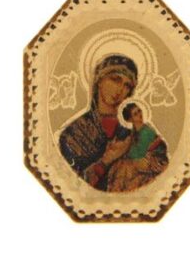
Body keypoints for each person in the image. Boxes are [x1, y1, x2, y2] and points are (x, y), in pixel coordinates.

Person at [58, 54, 138, 191]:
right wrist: (106, 161)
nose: (120, 90)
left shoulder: (130, 134)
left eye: (127, 85)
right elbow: (70, 187)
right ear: (99, 80)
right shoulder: (73, 134)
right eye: (115, 79)